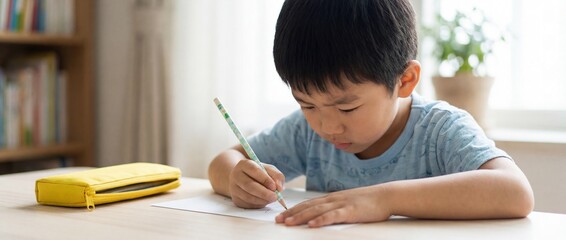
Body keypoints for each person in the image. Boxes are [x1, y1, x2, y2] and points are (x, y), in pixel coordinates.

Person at [208, 0, 534, 228]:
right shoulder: (305, 132)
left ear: (405, 80)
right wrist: (238, 179)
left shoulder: (440, 131)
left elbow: (515, 192)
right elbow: (223, 162)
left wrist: (384, 199)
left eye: (346, 107)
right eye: (306, 104)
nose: (326, 125)